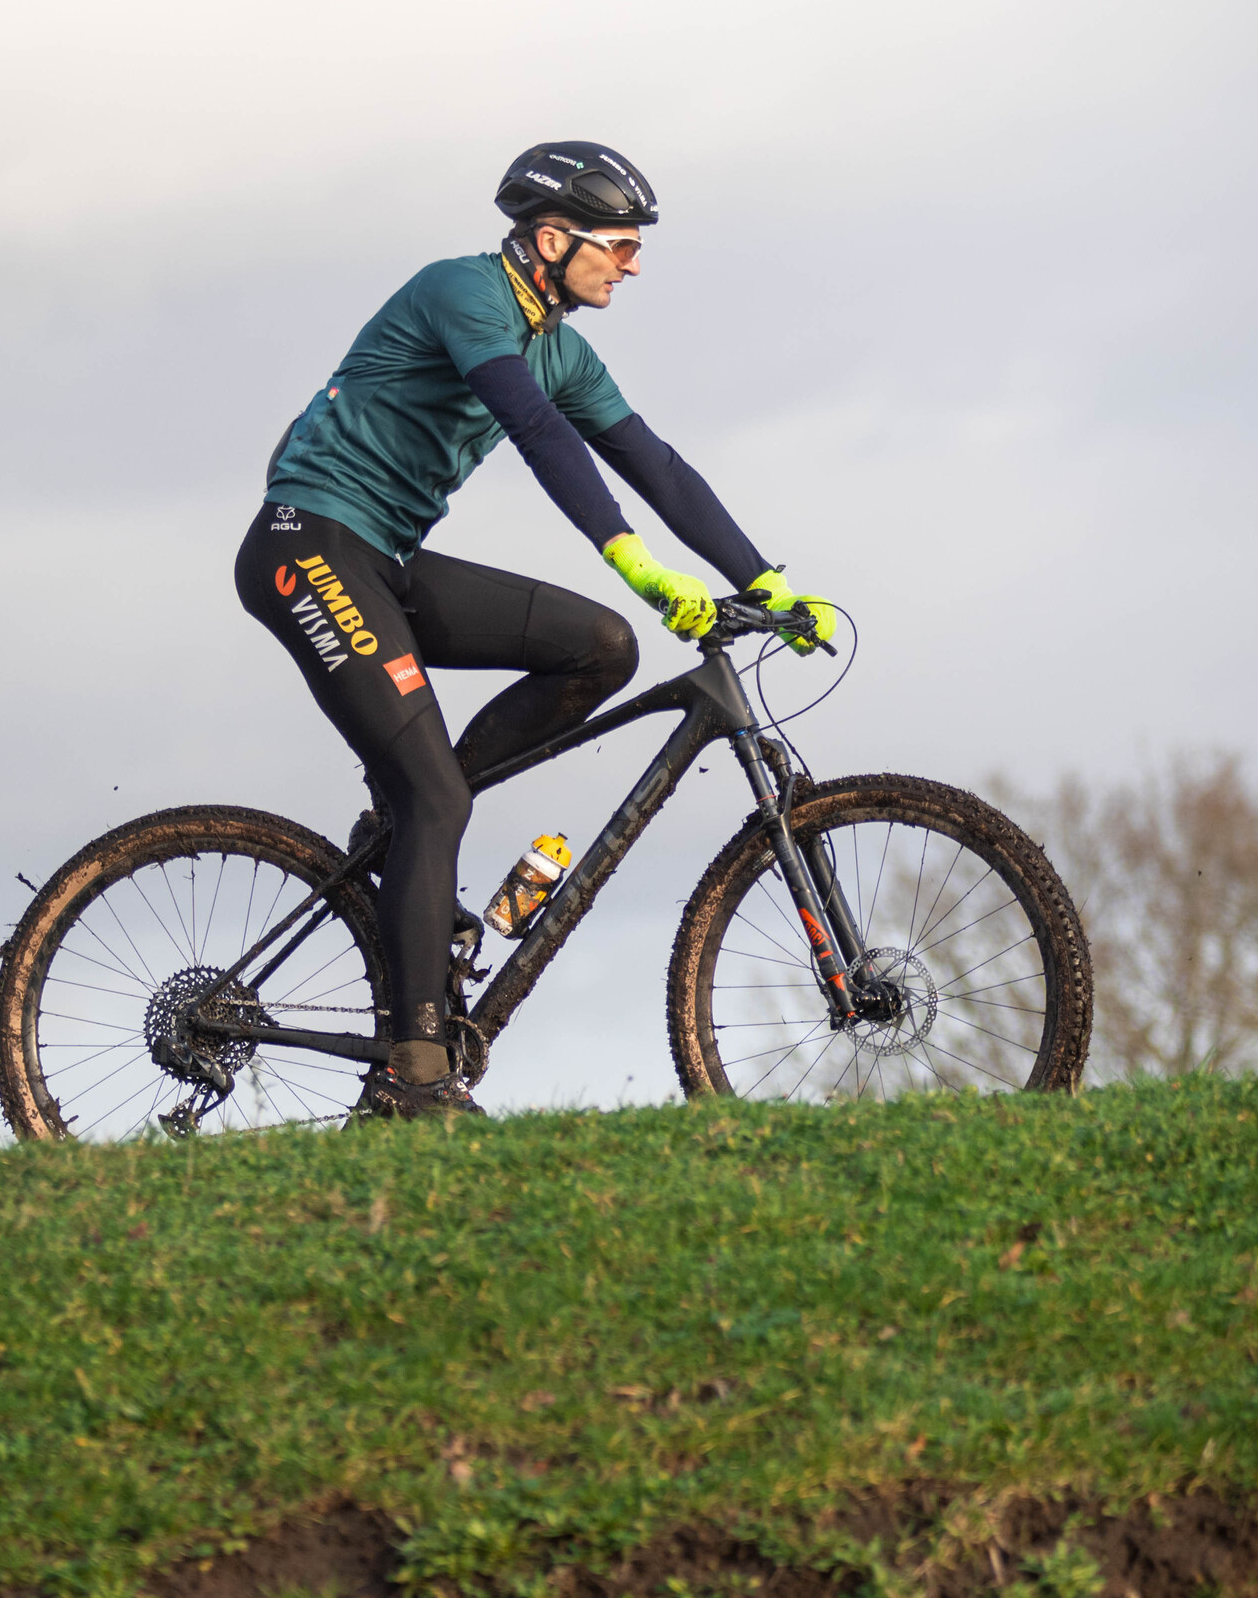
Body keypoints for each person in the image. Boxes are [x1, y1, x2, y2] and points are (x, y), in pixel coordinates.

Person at [235, 143, 836, 1118]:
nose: (630, 265)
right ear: (551, 239)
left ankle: (401, 830)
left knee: (599, 648)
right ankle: (411, 1073)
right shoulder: (463, 295)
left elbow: (654, 462)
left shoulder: (560, 346)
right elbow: (533, 428)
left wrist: (763, 580)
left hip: (381, 558)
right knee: (433, 794)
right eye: (617, 246)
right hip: (307, 543)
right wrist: (634, 562)